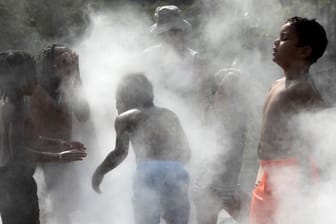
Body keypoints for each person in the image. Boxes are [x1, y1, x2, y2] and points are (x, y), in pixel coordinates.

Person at [249, 17, 328, 224]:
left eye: (284, 38)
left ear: (304, 51)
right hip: (269, 174)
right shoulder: (277, 84)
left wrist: (305, 189)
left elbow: (321, 137)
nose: (276, 42)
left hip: (292, 179)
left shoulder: (304, 90)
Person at [0, 50, 87, 224]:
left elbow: (32, 139)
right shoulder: (16, 109)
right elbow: (18, 152)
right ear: (19, 80)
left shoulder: (12, 104)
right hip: (16, 186)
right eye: (32, 75)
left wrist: (61, 144)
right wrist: (58, 157)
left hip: (12, 184)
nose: (37, 80)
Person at [92, 73, 191, 224]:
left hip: (147, 173)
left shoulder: (125, 118)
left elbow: (120, 153)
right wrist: (169, 169)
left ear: (127, 98)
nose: (116, 106)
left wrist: (99, 172)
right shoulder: (170, 115)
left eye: (117, 100)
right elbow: (187, 152)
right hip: (176, 171)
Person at [28, 44, 90, 224]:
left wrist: (77, 76)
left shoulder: (67, 87)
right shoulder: (34, 89)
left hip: (63, 158)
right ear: (50, 64)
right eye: (62, 59)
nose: (67, 63)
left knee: (66, 211)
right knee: (45, 210)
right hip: (40, 160)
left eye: (69, 59)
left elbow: (84, 114)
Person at [194, 69, 250, 224]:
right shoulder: (218, 110)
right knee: (256, 218)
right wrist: (233, 74)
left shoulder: (234, 111)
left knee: (257, 218)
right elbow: (227, 85)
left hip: (225, 184)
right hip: (211, 185)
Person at [142, 5, 210, 117]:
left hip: (188, 118)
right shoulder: (148, 56)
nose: (168, 37)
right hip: (155, 121)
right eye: (163, 33)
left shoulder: (195, 60)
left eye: (173, 32)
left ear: (182, 32)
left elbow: (202, 98)